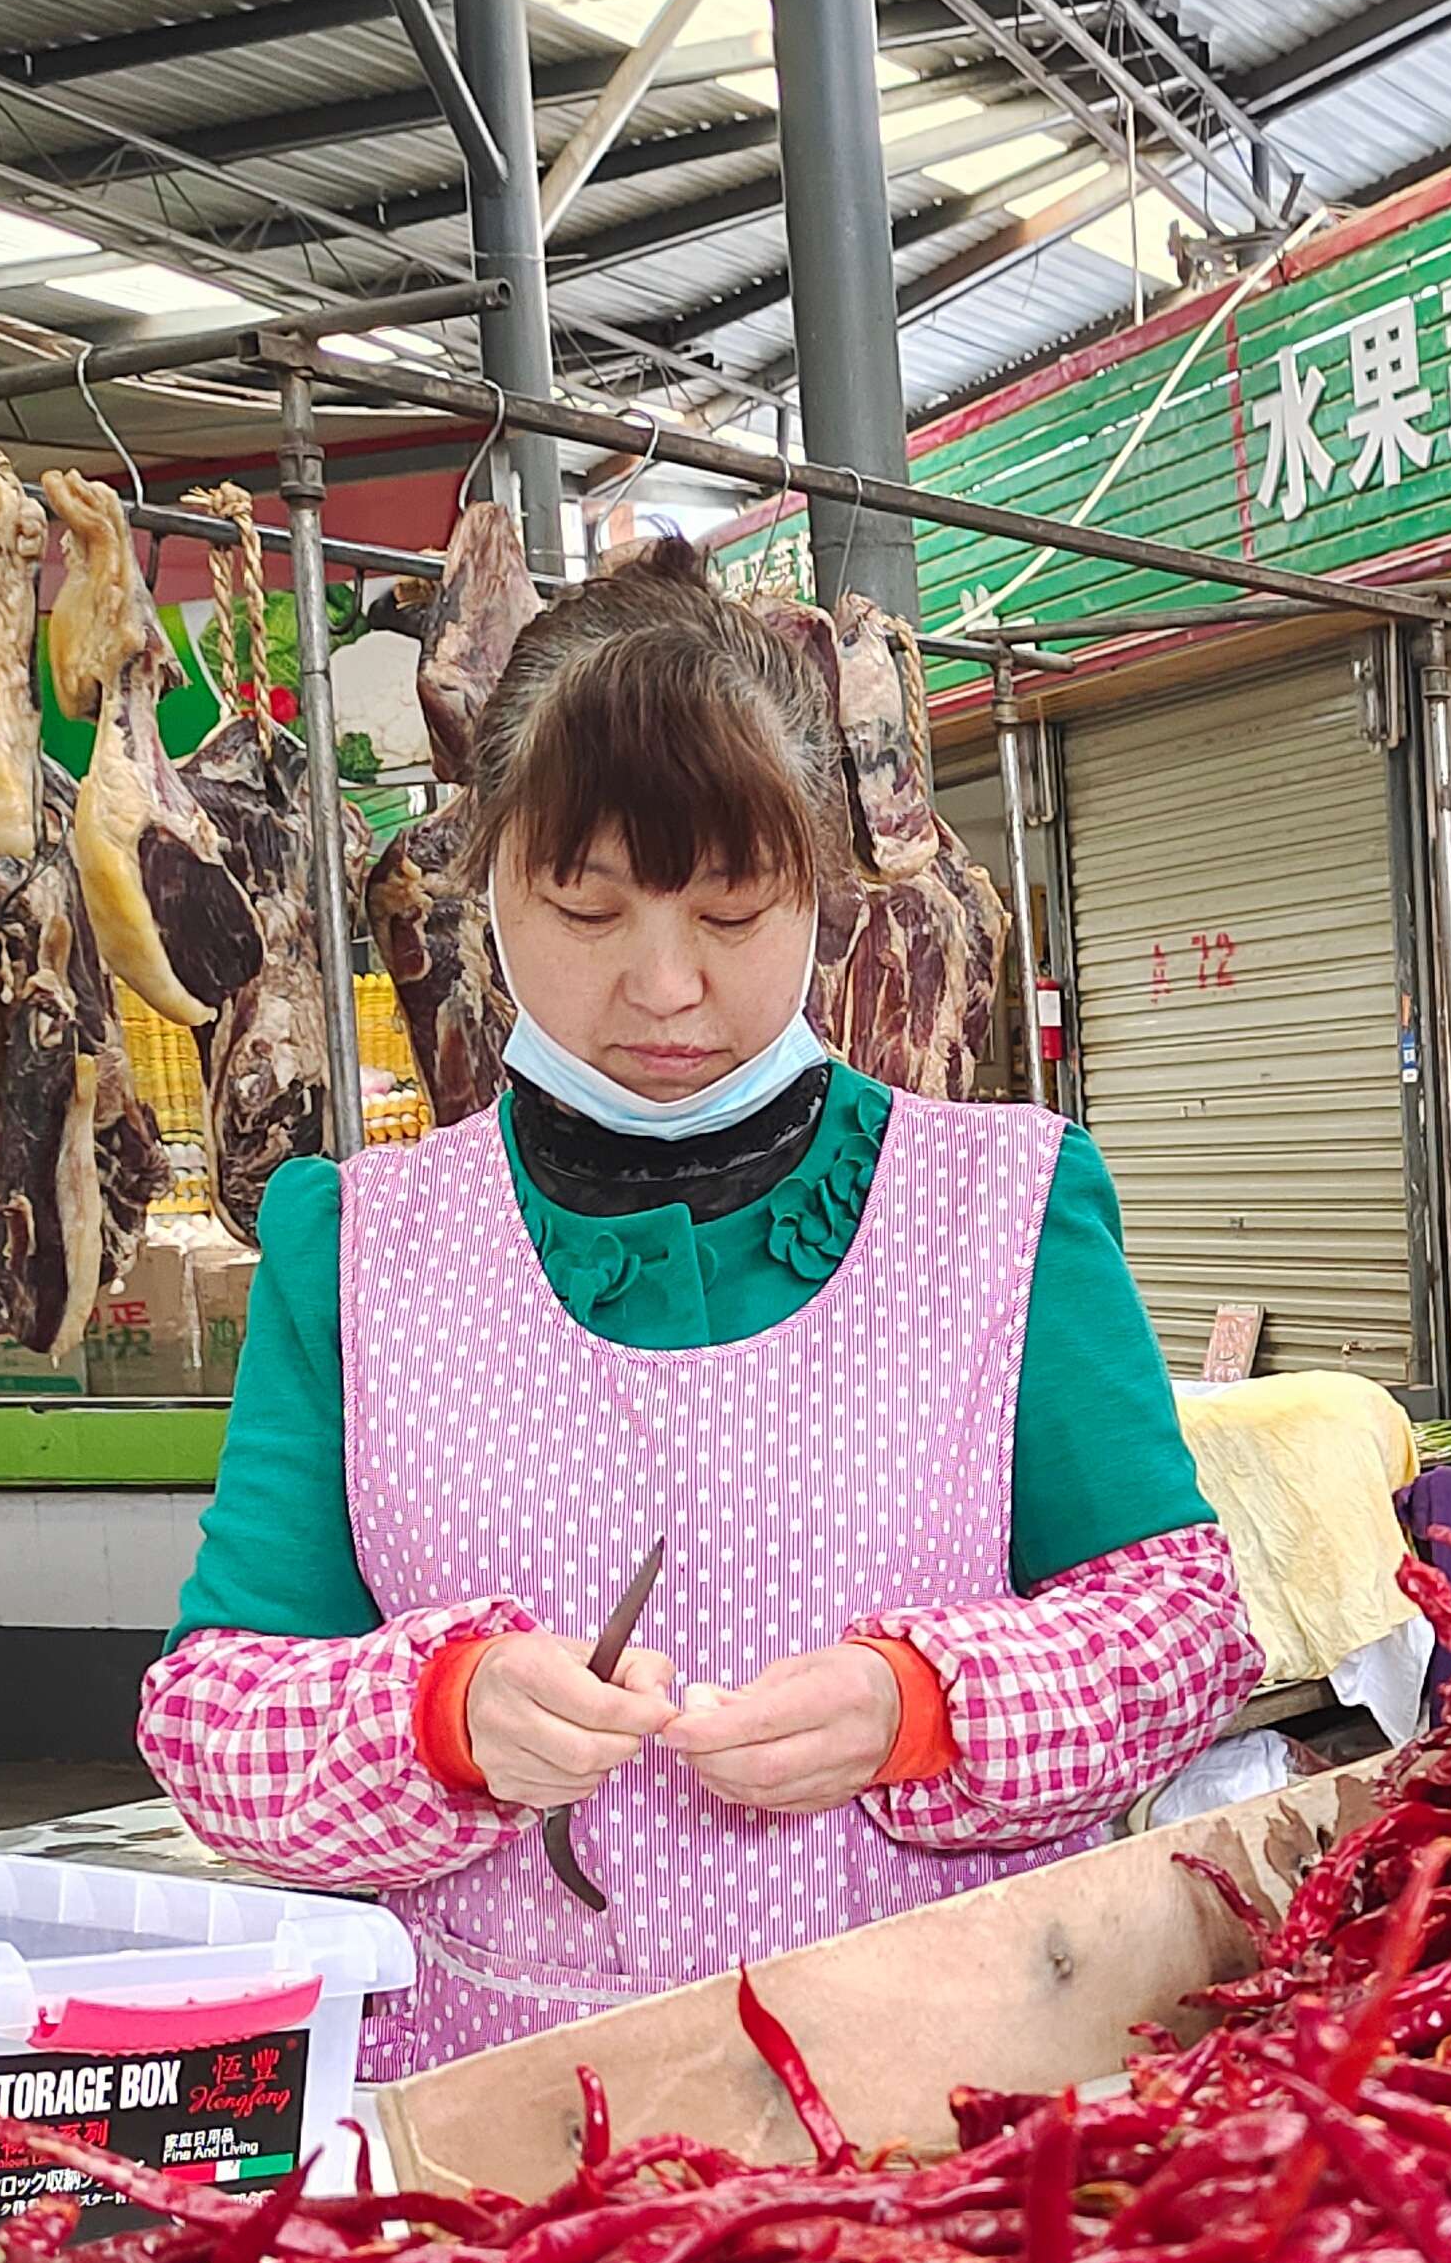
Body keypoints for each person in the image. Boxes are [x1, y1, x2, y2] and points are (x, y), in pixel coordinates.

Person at [141, 540, 1259, 2080]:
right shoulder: (356, 1246)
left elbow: (1182, 1634)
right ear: (488, 880)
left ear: (820, 885)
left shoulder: (1001, 1209)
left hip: (944, 2101)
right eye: (587, 908)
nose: (665, 987)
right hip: (496, 2125)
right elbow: (215, 1719)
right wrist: (447, 1716)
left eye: (731, 911)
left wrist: (919, 1708)